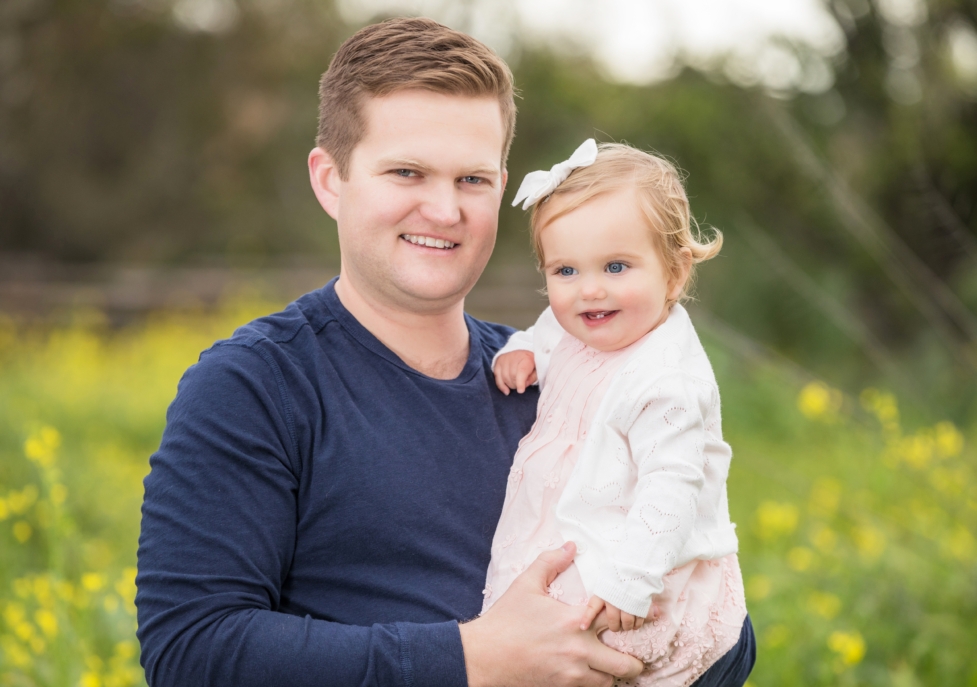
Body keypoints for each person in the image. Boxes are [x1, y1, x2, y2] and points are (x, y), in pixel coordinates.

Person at [135, 17, 645, 687]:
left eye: (472, 180)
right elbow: (191, 649)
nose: (443, 208)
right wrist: (472, 660)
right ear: (330, 179)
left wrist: (671, 628)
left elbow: (714, 625)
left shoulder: (564, 379)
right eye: (407, 172)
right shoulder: (253, 386)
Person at [484, 140, 756, 686]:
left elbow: (670, 489)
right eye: (564, 270)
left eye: (615, 266)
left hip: (650, 583)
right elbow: (549, 325)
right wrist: (524, 347)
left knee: (615, 656)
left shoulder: (665, 380)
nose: (589, 290)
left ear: (675, 273)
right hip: (587, 536)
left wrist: (630, 581)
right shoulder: (584, 321)